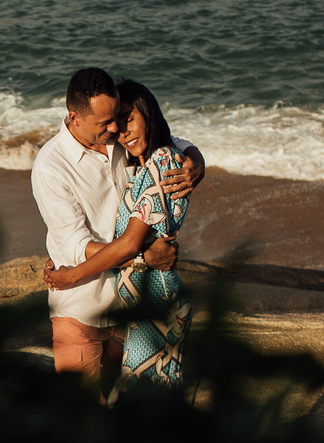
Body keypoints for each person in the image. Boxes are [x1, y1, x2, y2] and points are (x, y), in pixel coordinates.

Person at [30, 68, 203, 399]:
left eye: (118, 118)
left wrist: (197, 161)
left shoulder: (120, 138)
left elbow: (168, 143)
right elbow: (77, 244)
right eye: (105, 123)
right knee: (78, 416)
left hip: (131, 305)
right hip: (81, 307)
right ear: (74, 117)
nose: (114, 129)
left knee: (123, 418)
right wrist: (142, 255)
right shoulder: (51, 167)